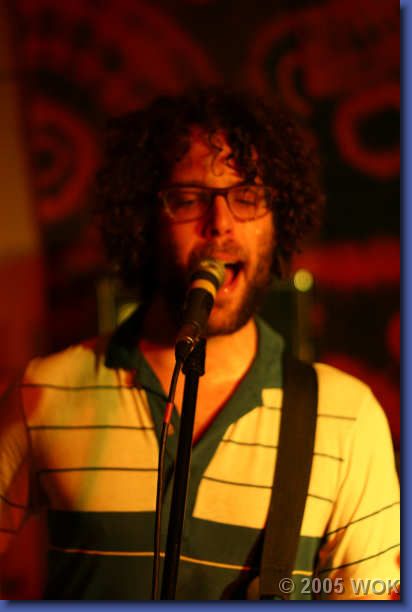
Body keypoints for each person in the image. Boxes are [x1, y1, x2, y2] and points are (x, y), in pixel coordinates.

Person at [0, 88, 400, 600]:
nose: (221, 223)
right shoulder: (47, 390)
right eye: (189, 199)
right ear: (145, 218)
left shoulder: (346, 419)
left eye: (247, 196)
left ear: (279, 220)